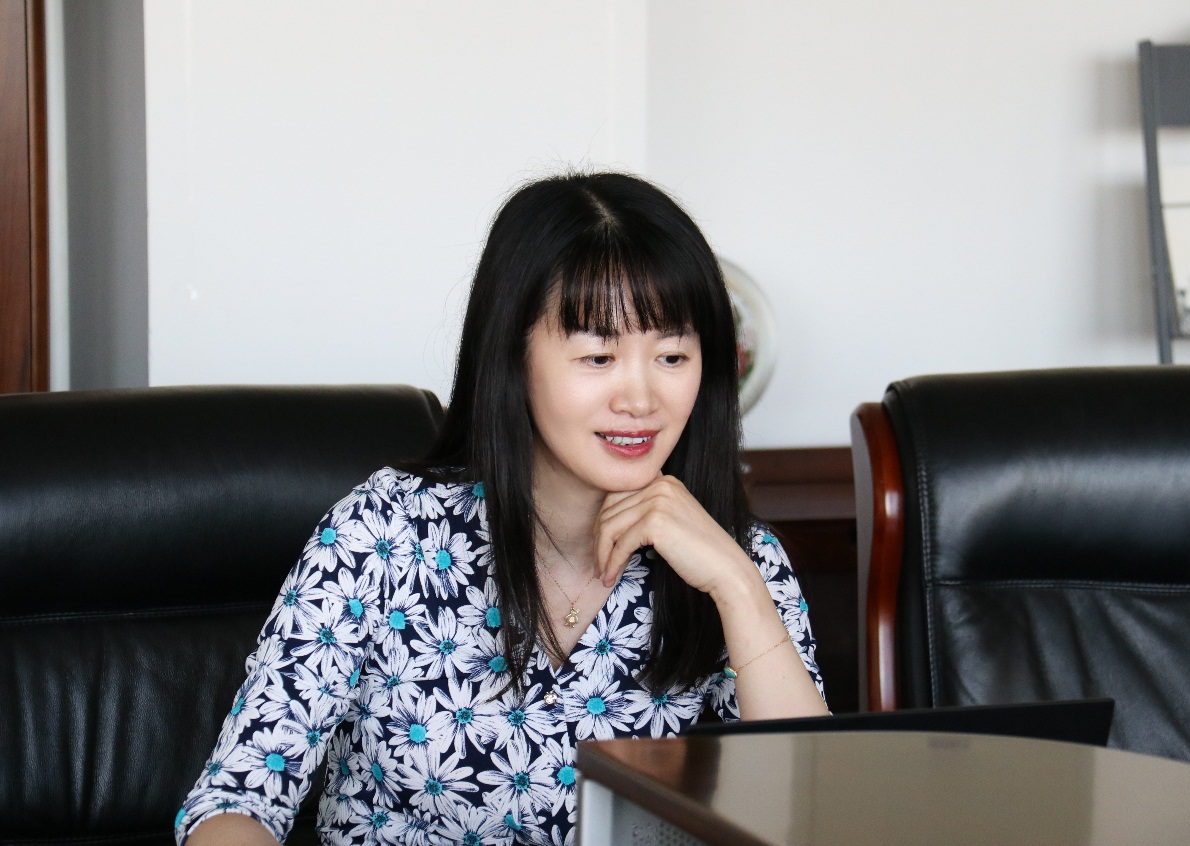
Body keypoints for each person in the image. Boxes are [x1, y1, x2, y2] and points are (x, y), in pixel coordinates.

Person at [176, 171, 828, 846]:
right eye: (598, 356)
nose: (640, 399)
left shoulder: (737, 560)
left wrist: (739, 589)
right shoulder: (384, 533)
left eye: (671, 355)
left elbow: (815, 821)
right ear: (513, 357)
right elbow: (235, 801)